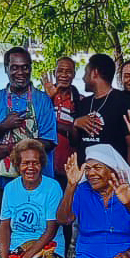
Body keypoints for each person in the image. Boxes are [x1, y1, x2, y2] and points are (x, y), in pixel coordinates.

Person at [0, 47, 57, 189]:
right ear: (6, 69)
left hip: (39, 183)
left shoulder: (43, 101)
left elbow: (50, 142)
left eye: (25, 67)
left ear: (31, 69)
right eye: (14, 68)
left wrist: (13, 148)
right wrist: (3, 127)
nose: (20, 73)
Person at [73, 53, 130, 167]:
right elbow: (74, 142)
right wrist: (76, 123)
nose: (83, 78)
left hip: (112, 174)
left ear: (94, 72)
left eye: (86, 72)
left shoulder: (123, 102)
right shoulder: (84, 103)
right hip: (85, 173)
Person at [41, 56, 84, 189]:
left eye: (68, 71)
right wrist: (48, 98)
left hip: (68, 166)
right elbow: (34, 122)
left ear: (74, 75)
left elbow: (77, 137)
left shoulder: (80, 101)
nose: (64, 75)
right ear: (54, 73)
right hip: (44, 164)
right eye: (60, 71)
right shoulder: (42, 98)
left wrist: (70, 128)